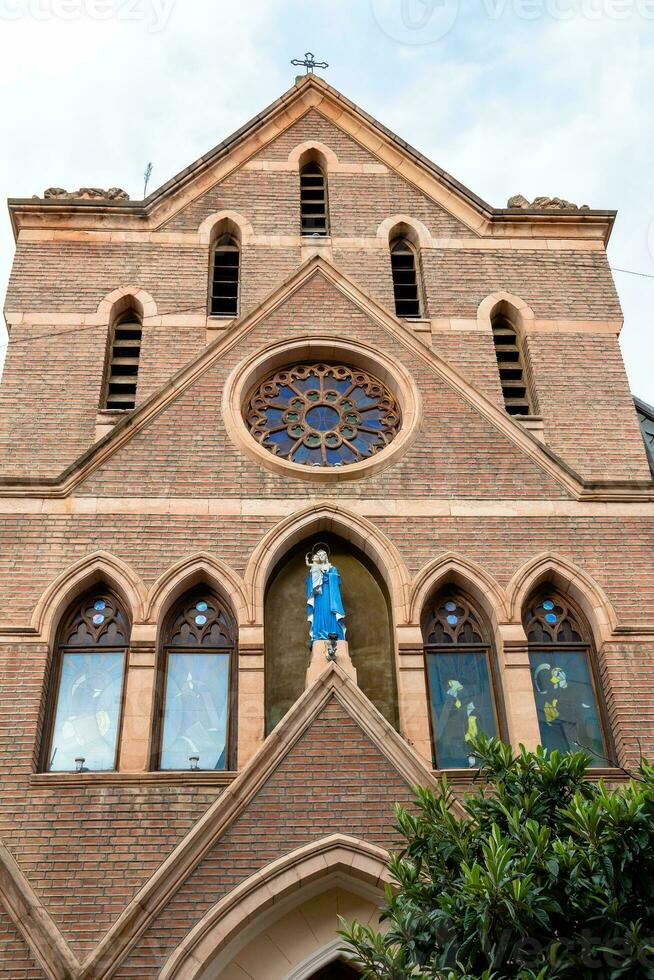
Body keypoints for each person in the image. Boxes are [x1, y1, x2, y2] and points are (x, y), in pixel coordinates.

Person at [305, 547, 346, 643]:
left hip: (330, 593)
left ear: (326, 556)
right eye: (319, 555)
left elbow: (337, 580)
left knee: (331, 611)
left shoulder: (332, 568)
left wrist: (327, 576)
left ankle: (334, 633)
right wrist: (313, 576)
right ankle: (319, 634)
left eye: (323, 554)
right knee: (319, 611)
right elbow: (309, 582)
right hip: (319, 594)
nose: (321, 556)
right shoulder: (315, 567)